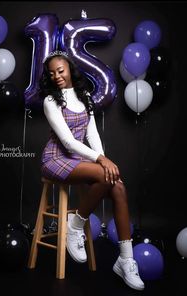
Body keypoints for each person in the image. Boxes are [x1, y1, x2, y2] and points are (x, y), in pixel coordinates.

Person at [39, 50, 144, 291]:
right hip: (55, 159)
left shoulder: (85, 97)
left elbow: (91, 134)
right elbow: (67, 142)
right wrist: (100, 160)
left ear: (69, 69)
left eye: (60, 70)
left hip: (79, 159)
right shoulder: (50, 101)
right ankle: (74, 228)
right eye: (51, 73)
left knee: (116, 183)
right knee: (105, 173)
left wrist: (103, 159)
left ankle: (126, 259)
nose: (56, 76)